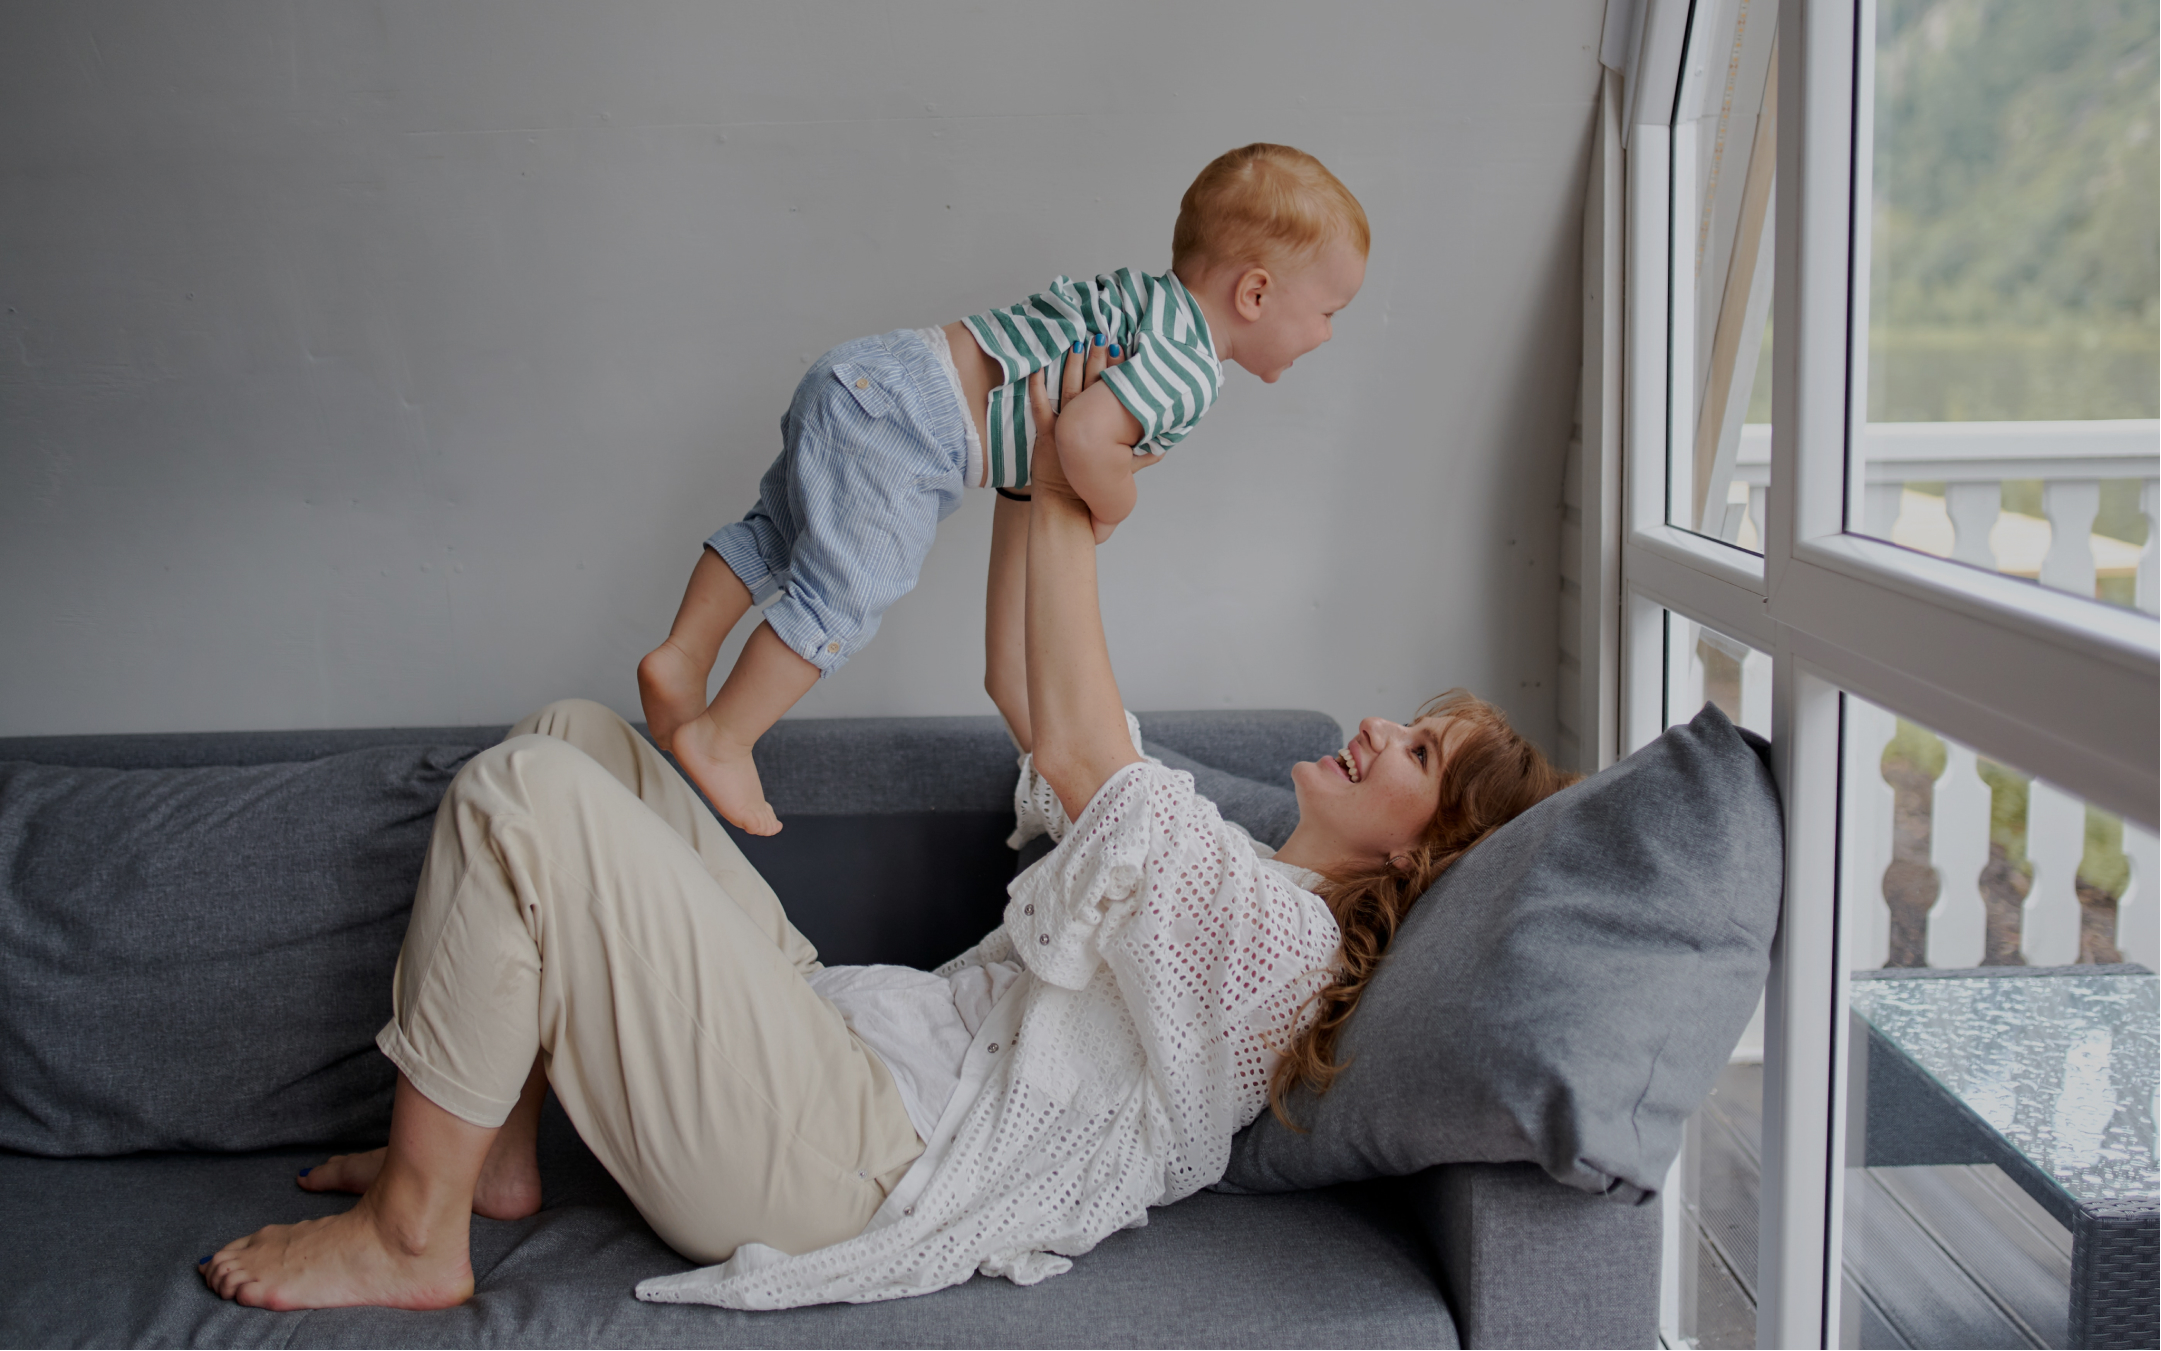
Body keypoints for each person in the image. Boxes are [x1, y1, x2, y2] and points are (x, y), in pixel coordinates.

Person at [196, 344, 1574, 1313]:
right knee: (574, 739)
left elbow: (1091, 748)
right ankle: (489, 1147)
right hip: (837, 1061)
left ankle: (409, 1234)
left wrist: (1081, 454)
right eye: (1410, 718)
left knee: (517, 806)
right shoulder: (1223, 866)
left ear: (1417, 848)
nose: (1381, 730)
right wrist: (1034, 465)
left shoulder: (1272, 948)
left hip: (852, 1167)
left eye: (1418, 755)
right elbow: (1031, 702)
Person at [637, 143, 1370, 837]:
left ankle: (682, 653)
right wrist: (1115, 503)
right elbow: (1082, 436)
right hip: (918, 428)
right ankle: (725, 737)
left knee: (776, 532)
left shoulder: (1142, 302)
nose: (1327, 335)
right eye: (1328, 312)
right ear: (1255, 292)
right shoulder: (1188, 368)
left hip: (874, 371)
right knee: (845, 595)